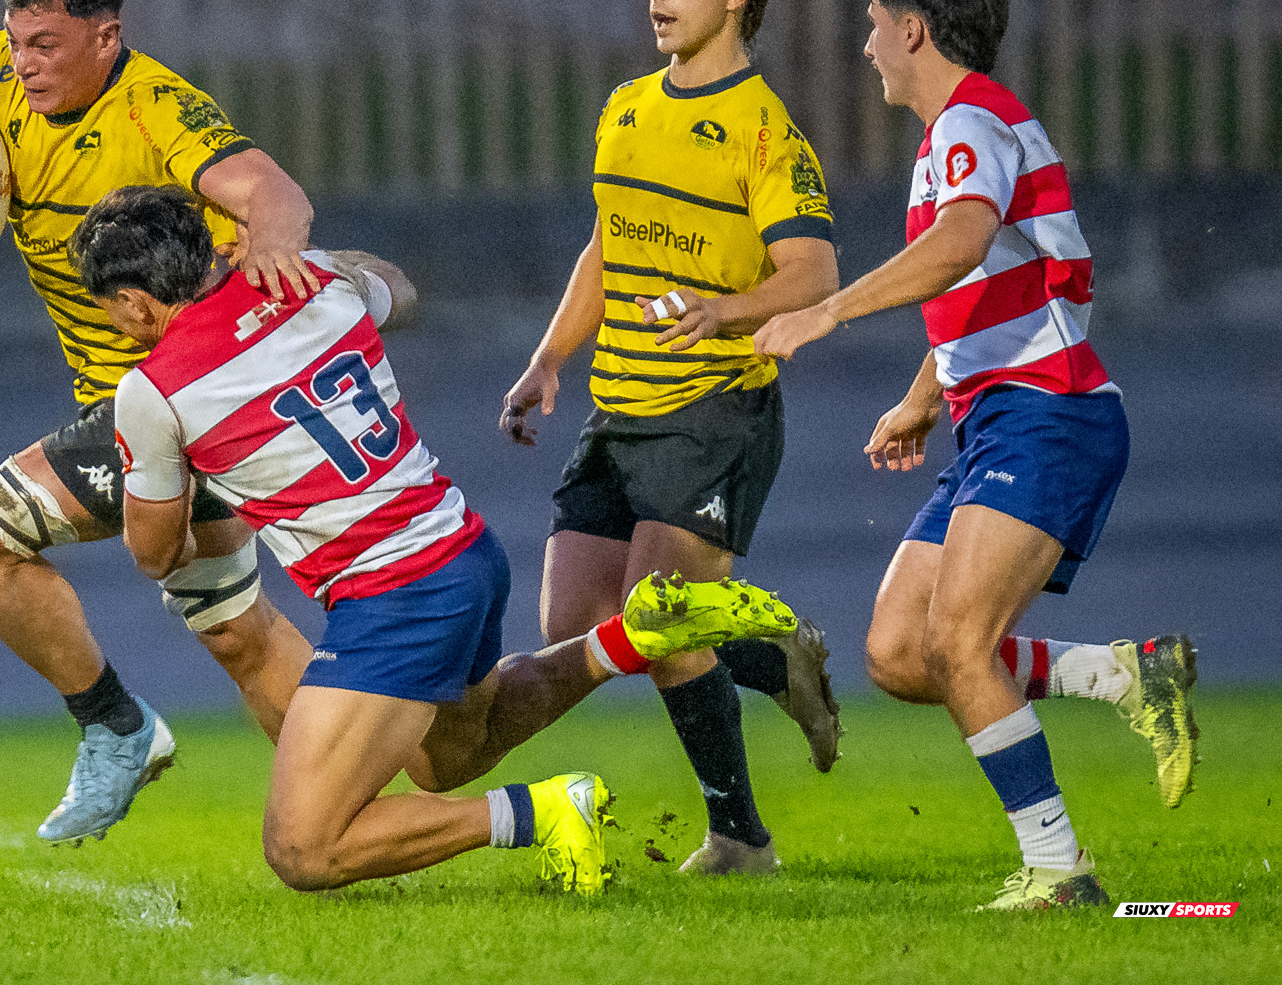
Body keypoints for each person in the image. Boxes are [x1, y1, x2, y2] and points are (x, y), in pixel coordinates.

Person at [77, 184, 800, 894]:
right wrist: (323, 260)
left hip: (391, 593)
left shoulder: (151, 389)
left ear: (138, 301)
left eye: (113, 312)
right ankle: (631, 640)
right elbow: (400, 290)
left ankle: (542, 811)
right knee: (449, 757)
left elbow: (154, 553)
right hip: (461, 553)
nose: (118, 327)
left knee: (303, 847)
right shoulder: (315, 279)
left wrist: (170, 468)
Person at [0, 0, 319, 845]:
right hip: (152, 407)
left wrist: (276, 255)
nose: (24, 66)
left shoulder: (158, 109)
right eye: (16, 42)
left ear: (106, 34)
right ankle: (355, 816)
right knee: (237, 632)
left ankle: (114, 729)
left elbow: (274, 193)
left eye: (45, 46)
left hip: (170, 402)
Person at [754, 0, 1198, 910]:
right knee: (903, 653)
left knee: (960, 641)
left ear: (912, 28)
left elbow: (959, 246)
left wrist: (825, 309)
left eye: (873, 26)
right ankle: (1130, 676)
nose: (866, 46)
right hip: (1000, 417)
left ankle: (1058, 869)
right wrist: (921, 398)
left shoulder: (970, 128)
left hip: (1051, 415)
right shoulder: (961, 134)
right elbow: (986, 280)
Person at [498, 0, 842, 876]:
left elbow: (813, 274)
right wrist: (550, 357)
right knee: (575, 633)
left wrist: (723, 309)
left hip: (716, 411)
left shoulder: (764, 130)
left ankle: (740, 838)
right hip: (620, 407)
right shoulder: (628, 108)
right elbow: (608, 249)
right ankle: (779, 661)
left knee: (657, 612)